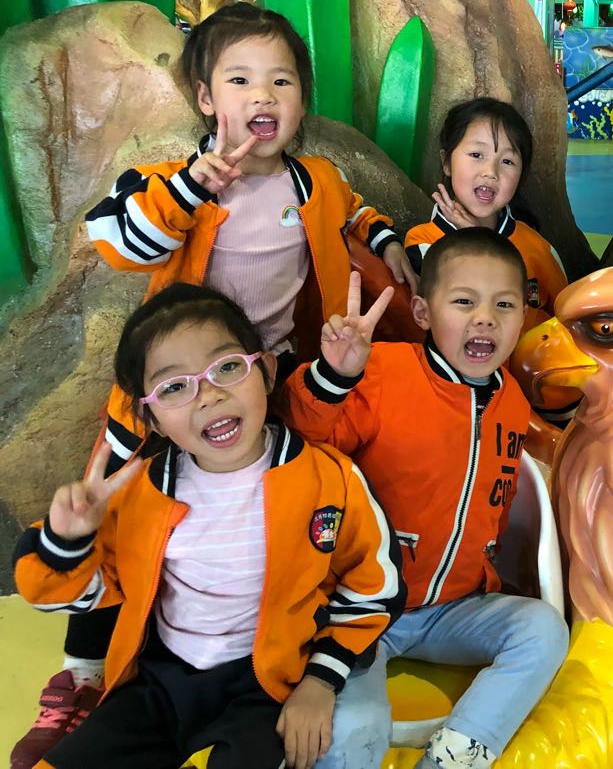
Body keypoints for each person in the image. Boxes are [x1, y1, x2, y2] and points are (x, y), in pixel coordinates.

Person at [10, 1, 415, 769]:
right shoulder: (178, 182)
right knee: (117, 513)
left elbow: (355, 211)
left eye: (281, 81)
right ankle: (84, 680)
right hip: (168, 393)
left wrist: (389, 241)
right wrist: (192, 187)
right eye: (240, 79)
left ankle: (260, 647)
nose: (263, 95)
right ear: (205, 98)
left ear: (301, 100)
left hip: (265, 378)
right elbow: (115, 239)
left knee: (273, 505)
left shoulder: (315, 181)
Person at [13, 283, 405, 769]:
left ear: (265, 372)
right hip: (158, 680)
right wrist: (68, 542)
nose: (209, 395)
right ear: (152, 419)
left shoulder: (330, 480)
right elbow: (66, 597)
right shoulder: (143, 494)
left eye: (227, 367)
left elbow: (374, 591)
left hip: (266, 687)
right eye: (175, 387)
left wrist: (320, 682)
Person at [283, 228, 569, 769]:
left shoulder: (510, 401)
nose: (485, 318)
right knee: (355, 732)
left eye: (504, 304)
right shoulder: (381, 372)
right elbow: (304, 446)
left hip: (453, 609)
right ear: (422, 311)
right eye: (464, 302)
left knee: (544, 630)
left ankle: (451, 758)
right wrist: (333, 377)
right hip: (359, 612)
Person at [404, 97, 568, 336]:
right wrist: (477, 239)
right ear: (446, 162)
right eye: (476, 154)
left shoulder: (538, 247)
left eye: (507, 161)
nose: (491, 172)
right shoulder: (423, 242)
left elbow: (568, 317)